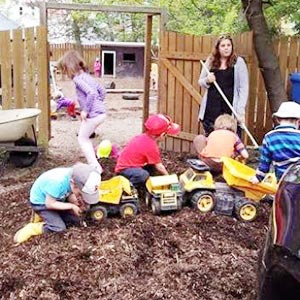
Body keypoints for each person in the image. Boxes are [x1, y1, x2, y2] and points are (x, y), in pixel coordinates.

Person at [13, 163, 101, 244]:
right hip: (42, 203)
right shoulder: (57, 183)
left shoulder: (74, 177)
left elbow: (69, 193)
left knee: (74, 221)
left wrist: (75, 202)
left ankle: (50, 218)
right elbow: (49, 204)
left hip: (57, 199)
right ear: (73, 184)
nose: (81, 196)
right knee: (59, 228)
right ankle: (32, 228)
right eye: (81, 194)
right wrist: (71, 206)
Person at [58, 50, 106, 173]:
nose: (66, 73)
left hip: (93, 115)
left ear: (70, 66)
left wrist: (86, 110)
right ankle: (95, 165)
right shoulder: (87, 76)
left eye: (65, 69)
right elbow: (101, 90)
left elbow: (91, 93)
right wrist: (99, 103)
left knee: (82, 138)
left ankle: (95, 168)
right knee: (85, 137)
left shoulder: (77, 79)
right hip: (101, 113)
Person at [198, 34, 249, 138]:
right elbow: (201, 81)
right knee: (212, 140)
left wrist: (240, 111)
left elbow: (243, 88)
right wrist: (207, 80)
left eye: (228, 45)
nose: (226, 48)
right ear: (218, 48)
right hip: (211, 108)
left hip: (229, 109)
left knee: (230, 141)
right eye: (223, 45)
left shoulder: (238, 62)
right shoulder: (211, 61)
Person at [115, 114, 180, 187]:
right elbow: (159, 166)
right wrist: (170, 179)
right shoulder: (151, 146)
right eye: (166, 135)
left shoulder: (143, 137)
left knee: (151, 167)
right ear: (162, 135)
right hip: (124, 171)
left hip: (129, 167)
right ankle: (129, 188)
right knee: (143, 175)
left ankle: (143, 185)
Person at [250, 101, 300, 184]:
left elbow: (264, 162)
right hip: (298, 179)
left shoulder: (269, 137)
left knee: (284, 196)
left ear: (278, 119)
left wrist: (258, 178)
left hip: (283, 181)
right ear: (298, 121)